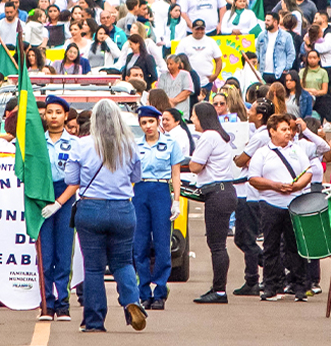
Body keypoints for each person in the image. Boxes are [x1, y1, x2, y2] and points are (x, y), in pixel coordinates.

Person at [46, 99, 147, 333]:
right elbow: (137, 177)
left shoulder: (81, 145)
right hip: (122, 208)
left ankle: (94, 320)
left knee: (93, 268)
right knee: (123, 262)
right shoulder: (129, 145)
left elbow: (71, 179)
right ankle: (132, 300)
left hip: (91, 208)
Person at [246, 113, 311, 302]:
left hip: (294, 205)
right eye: (283, 130)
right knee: (271, 247)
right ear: (272, 131)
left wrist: (297, 186)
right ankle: (271, 286)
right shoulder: (262, 153)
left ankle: (300, 287)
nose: (288, 133)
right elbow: (253, 178)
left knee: (296, 246)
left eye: (289, 129)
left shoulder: (297, 150)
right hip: (270, 204)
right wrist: (274, 185)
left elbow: (308, 172)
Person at [185, 101, 238, 304]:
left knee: (217, 245)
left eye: (194, 115)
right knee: (218, 243)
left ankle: (220, 291)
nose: (192, 119)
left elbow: (195, 166)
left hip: (218, 193)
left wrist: (188, 162)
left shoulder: (208, 136)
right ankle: (218, 287)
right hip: (226, 191)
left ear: (202, 117)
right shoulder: (219, 136)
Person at [132, 105, 179, 310]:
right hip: (140, 190)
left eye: (151, 121)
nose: (148, 126)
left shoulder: (170, 143)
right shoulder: (135, 145)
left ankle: (160, 290)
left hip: (161, 190)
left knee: (162, 244)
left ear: (158, 122)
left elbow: (176, 173)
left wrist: (176, 200)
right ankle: (143, 291)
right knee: (139, 244)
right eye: (144, 123)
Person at [37, 95, 77, 320]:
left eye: (58, 113)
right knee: (45, 253)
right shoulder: (37, 142)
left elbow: (77, 179)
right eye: (49, 112)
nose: (53, 117)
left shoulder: (74, 143)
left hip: (65, 196)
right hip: (42, 195)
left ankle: (62, 303)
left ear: (66, 116)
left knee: (63, 252)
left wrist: (60, 202)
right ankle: (46, 304)